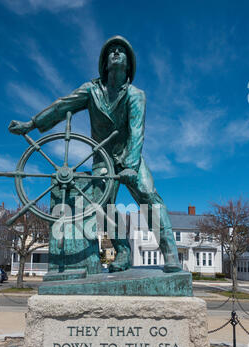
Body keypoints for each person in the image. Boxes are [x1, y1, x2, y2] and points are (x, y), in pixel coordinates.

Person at [9, 35, 181, 273]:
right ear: (104, 62)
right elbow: (62, 106)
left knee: (148, 195)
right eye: (112, 51)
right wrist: (31, 124)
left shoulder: (135, 95)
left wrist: (131, 165)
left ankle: (170, 251)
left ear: (129, 65)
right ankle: (119, 252)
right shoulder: (91, 90)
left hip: (130, 155)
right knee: (100, 207)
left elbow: (137, 132)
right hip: (103, 158)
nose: (116, 53)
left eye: (122, 50)